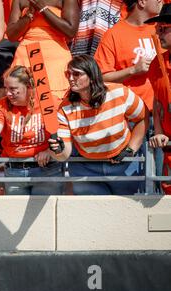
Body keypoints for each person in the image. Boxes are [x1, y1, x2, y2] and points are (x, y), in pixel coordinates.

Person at [49, 54, 147, 195]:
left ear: (92, 74)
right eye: (68, 74)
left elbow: (142, 118)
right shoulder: (65, 107)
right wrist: (58, 150)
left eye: (76, 74)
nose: (70, 78)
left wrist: (131, 149)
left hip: (122, 163)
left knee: (125, 213)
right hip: (86, 167)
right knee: (92, 215)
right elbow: (65, 154)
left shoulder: (119, 92)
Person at [0, 65, 63, 195]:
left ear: (29, 87)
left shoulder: (49, 102)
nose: (8, 93)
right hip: (14, 170)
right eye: (6, 88)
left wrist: (50, 150)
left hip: (46, 169)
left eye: (13, 89)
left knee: (46, 214)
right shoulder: (1, 105)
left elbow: (65, 133)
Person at [94, 0, 163, 114]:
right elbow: (101, 78)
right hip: (132, 115)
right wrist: (133, 70)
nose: (160, 0)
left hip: (162, 113)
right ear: (142, 2)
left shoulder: (162, 30)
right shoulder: (113, 35)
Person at [7, 0, 79, 100]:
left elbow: (71, 31)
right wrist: (29, 15)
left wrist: (43, 9)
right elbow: (11, 35)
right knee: (25, 100)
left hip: (54, 58)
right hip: (26, 54)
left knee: (53, 103)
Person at [146, 3, 171, 194]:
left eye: (163, 29)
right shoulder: (157, 63)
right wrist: (159, 132)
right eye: (157, 29)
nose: (158, 34)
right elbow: (157, 102)